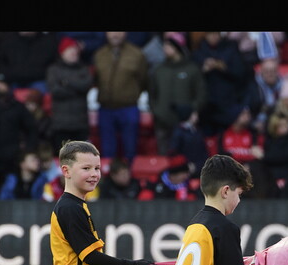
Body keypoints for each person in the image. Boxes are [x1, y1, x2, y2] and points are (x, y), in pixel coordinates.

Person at [93, 31, 149, 166]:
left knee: (130, 149)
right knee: (107, 151)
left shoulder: (137, 54)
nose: (115, 35)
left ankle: (130, 177)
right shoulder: (99, 54)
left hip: (129, 108)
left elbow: (143, 80)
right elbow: (96, 79)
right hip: (105, 108)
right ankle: (108, 176)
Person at [149, 32, 207, 156]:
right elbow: (152, 94)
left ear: (177, 47)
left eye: (168, 45)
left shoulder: (191, 69)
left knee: (186, 158)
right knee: (164, 158)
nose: (164, 48)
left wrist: (193, 110)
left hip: (186, 123)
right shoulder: (159, 70)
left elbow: (201, 93)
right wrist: (157, 111)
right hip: (163, 122)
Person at [192, 32, 250, 136]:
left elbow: (241, 72)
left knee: (225, 138)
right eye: (211, 34)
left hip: (227, 104)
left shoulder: (230, 48)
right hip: (206, 106)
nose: (213, 36)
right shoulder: (198, 52)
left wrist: (224, 68)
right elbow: (192, 79)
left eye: (216, 34)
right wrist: (203, 69)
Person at [46, 37, 94, 151]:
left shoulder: (83, 68)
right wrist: (77, 89)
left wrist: (66, 82)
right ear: (62, 53)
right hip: (61, 124)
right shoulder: (53, 69)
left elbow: (86, 85)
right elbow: (56, 91)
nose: (73, 52)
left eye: (75, 50)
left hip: (80, 124)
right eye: (69, 50)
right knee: (63, 156)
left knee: (81, 158)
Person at [261, 110, 288, 184]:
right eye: (281, 125)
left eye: (287, 124)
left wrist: (264, 156)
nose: (285, 127)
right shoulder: (269, 138)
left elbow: (287, 156)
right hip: (271, 173)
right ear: (274, 126)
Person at [168, 106, 209, 179]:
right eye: (194, 114)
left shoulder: (198, 131)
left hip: (200, 167)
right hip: (185, 170)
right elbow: (174, 153)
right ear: (188, 116)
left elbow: (203, 150)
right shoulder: (178, 132)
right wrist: (186, 166)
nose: (197, 116)